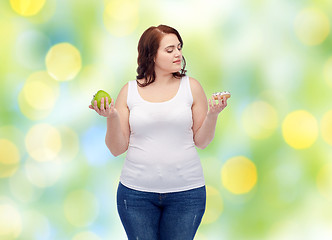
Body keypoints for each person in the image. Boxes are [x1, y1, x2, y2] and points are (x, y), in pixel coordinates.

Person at [89, 24, 228, 240]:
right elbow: (116, 148)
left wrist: (213, 114)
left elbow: (201, 141)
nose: (178, 54)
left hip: (187, 194)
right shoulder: (129, 91)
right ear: (151, 55)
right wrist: (112, 117)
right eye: (169, 49)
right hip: (135, 196)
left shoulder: (191, 87)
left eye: (179, 48)